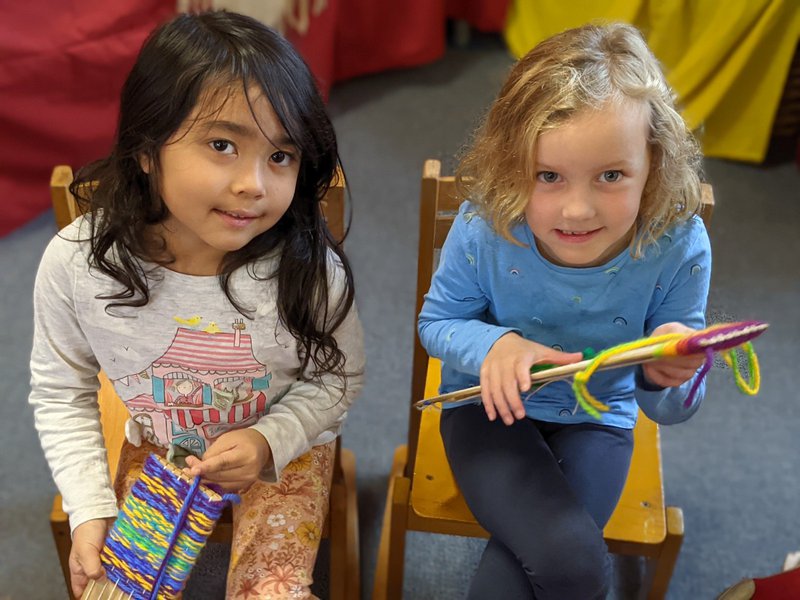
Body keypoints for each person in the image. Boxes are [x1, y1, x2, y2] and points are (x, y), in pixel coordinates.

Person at [28, 11, 364, 599]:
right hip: (163, 450)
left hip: (285, 450)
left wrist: (269, 440)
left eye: (281, 156)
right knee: (115, 591)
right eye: (222, 144)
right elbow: (61, 390)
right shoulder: (76, 265)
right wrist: (87, 508)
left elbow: (337, 381)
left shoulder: (309, 270)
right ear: (145, 149)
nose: (254, 184)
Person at [418, 22, 710, 599]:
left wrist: (667, 370)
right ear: (510, 163)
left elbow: (671, 410)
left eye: (611, 176)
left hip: (599, 420)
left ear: (653, 162)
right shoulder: (486, 227)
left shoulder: (679, 242)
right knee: (569, 560)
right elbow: (437, 324)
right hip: (487, 411)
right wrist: (495, 345)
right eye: (548, 176)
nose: (577, 210)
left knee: (562, 562)